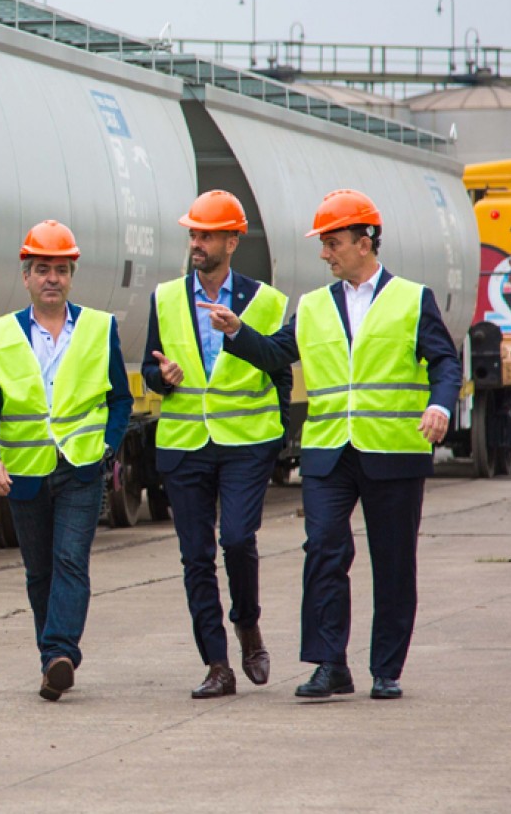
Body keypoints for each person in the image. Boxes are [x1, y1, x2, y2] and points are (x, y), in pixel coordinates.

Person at [204, 189, 461, 701]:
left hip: (394, 449)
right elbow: (279, 353)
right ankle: (329, 664)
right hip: (328, 453)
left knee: (392, 561)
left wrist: (441, 405)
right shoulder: (315, 306)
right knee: (323, 549)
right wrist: (238, 332)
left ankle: (386, 669)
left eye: (333, 242)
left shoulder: (413, 299)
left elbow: (445, 362)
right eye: (323, 243)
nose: (325, 253)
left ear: (365, 242)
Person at [0, 220, 133, 701]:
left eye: (60, 270)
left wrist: (107, 444)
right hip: (23, 473)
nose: (52, 278)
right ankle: (52, 661)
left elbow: (120, 399)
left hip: (81, 468)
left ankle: (61, 653)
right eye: (42, 269)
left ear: (71, 275)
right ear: (26, 276)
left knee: (69, 560)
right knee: (39, 570)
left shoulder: (100, 328)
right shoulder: (1, 335)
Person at [141, 190, 290, 699]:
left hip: (247, 443)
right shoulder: (165, 298)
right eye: (192, 234)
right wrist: (162, 378)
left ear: (232, 240)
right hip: (186, 443)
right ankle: (217, 664)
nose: (196, 243)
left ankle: (248, 626)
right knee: (196, 556)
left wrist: (276, 439)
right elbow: (149, 370)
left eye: (206, 235)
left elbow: (277, 367)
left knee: (236, 541)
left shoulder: (266, 302)